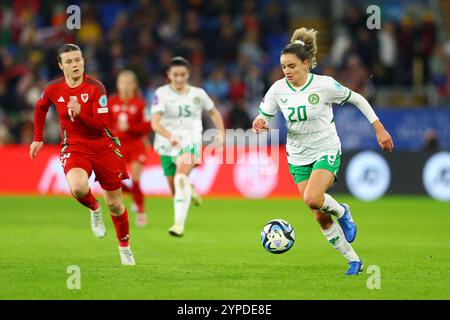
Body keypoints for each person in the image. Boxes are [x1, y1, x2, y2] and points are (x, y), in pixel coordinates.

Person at [252, 28, 394, 275]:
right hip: (297, 156)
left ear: (306, 64)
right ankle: (354, 261)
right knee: (320, 217)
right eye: (284, 66)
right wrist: (259, 123)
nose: (286, 71)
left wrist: (379, 128)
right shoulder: (277, 89)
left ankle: (343, 211)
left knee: (312, 198)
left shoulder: (324, 85)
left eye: (292, 66)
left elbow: (357, 98)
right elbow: (263, 116)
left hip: (325, 148)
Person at [30, 44, 135, 265]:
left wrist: (80, 114)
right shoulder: (52, 89)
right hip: (74, 146)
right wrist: (38, 138)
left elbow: (103, 126)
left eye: (78, 60)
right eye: (69, 61)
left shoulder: (97, 88)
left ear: (83, 61)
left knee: (115, 204)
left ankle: (124, 247)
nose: (75, 64)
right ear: (60, 65)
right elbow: (40, 108)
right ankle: (94, 208)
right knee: (78, 188)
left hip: (102, 146)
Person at [151, 57, 225, 237]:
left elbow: (213, 112)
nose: (178, 79)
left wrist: (221, 132)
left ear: (188, 75)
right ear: (169, 75)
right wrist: (170, 136)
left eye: (182, 75)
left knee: (180, 177)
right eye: (175, 75)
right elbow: (155, 123)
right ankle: (189, 190)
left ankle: (178, 225)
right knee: (176, 189)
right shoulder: (161, 94)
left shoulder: (198, 94)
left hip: (191, 142)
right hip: (167, 145)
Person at [109, 70, 151, 227]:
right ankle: (135, 195)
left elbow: (147, 126)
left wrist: (130, 127)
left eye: (128, 83)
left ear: (134, 85)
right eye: (122, 83)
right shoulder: (111, 102)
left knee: (136, 179)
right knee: (115, 181)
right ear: (117, 85)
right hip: (117, 146)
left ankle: (141, 212)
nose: (125, 86)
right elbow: (104, 124)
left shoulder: (140, 104)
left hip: (136, 146)